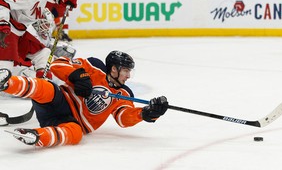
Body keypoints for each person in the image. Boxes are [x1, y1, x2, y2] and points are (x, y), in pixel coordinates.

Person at [0, 50, 169, 147]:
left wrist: (146, 113)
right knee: (46, 87)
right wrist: (77, 75)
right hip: (60, 100)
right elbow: (58, 64)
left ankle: (38, 136)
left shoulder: (123, 94)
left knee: (75, 134)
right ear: (114, 69)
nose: (128, 75)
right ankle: (7, 83)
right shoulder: (94, 66)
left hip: (73, 122)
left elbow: (123, 118)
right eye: (125, 70)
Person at [0, 0, 77, 73]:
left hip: (22, 31)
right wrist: (3, 24)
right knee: (5, 73)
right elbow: (2, 2)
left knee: (44, 54)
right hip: (8, 32)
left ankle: (43, 83)